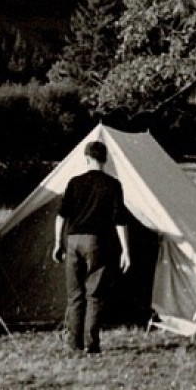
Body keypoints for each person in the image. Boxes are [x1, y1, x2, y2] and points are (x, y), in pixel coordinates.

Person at [52, 140, 130, 355]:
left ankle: (74, 343)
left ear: (86, 158)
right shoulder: (113, 185)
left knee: (75, 294)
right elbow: (119, 220)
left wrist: (58, 243)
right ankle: (90, 344)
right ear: (105, 160)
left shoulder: (74, 182)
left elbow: (61, 216)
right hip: (97, 242)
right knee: (94, 295)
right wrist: (126, 250)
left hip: (73, 240)